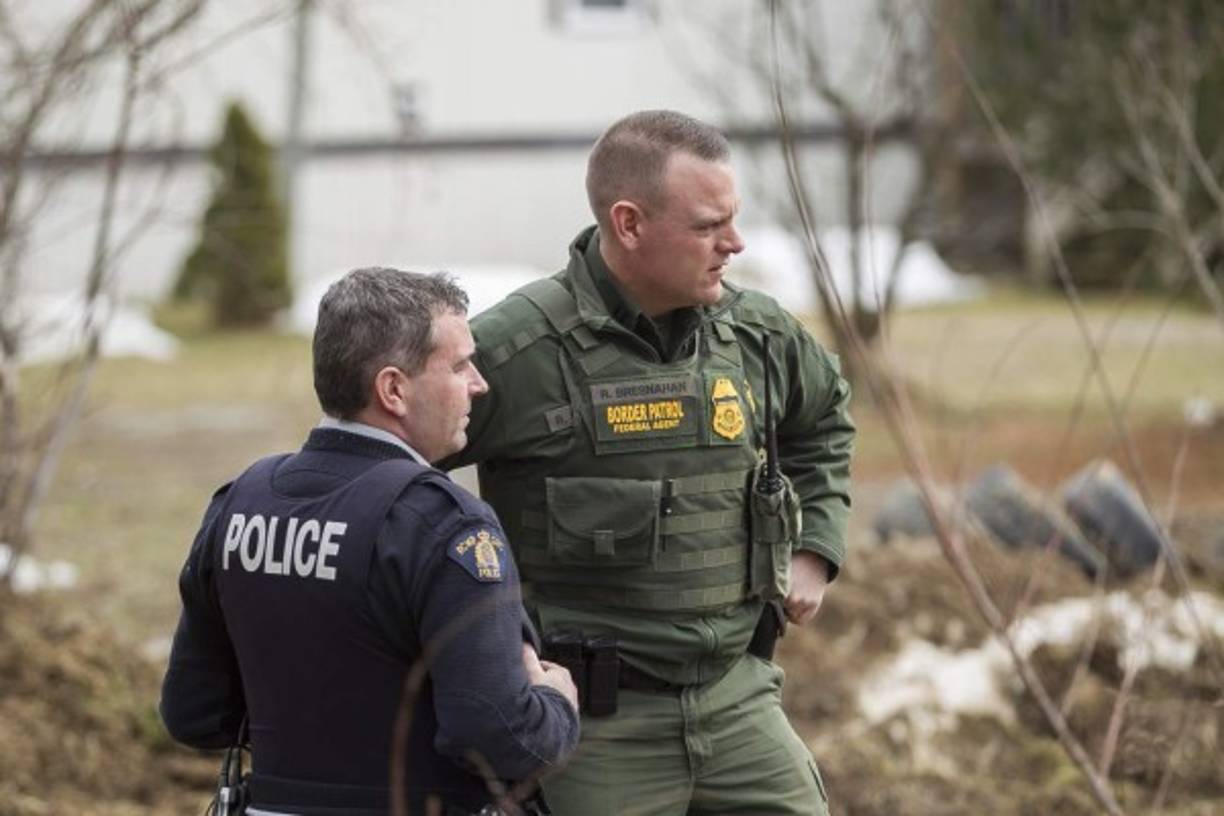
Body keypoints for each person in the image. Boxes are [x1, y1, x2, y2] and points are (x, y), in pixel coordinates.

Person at [441, 110, 854, 815]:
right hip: (595, 726)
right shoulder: (519, 351)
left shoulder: (756, 334)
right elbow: (394, 475)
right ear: (629, 224)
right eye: (707, 226)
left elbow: (823, 419)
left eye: (733, 219)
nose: (735, 243)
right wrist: (477, 644)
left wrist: (815, 546)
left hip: (736, 697)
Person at [160, 268, 580, 816]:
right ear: (393, 390)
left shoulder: (239, 502)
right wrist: (556, 703)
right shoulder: (444, 524)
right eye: (458, 366)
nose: (479, 383)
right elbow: (497, 738)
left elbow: (194, 713)